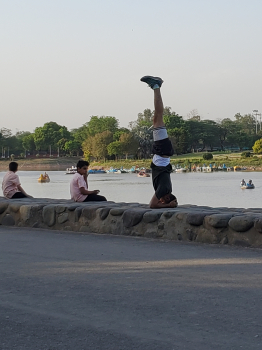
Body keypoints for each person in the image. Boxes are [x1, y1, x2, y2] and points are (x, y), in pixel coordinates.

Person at [140, 75, 178, 209]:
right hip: (162, 151)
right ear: (167, 198)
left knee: (157, 117)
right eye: (163, 201)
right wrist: (168, 206)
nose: (160, 200)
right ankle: (156, 86)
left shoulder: (165, 189)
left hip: (163, 152)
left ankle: (156, 86)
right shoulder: (164, 190)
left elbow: (154, 204)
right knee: (158, 116)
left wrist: (167, 204)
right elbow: (152, 205)